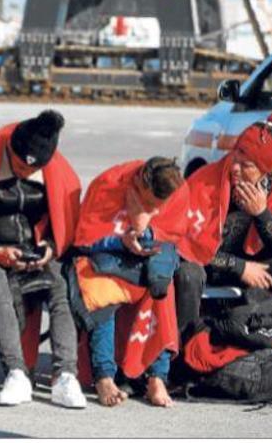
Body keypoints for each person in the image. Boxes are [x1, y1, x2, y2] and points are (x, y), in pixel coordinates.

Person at [0, 110, 86, 408]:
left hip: (34, 248)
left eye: (33, 171)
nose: (25, 174)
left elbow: (66, 223)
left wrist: (51, 247)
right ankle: (15, 372)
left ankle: (66, 375)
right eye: (18, 166)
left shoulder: (59, 172)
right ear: (10, 150)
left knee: (62, 289)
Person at [173, 112, 272, 342]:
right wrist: (240, 267)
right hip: (211, 266)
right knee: (187, 274)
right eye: (235, 157)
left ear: (264, 171)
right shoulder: (204, 181)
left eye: (246, 165)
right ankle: (186, 349)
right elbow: (185, 247)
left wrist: (262, 215)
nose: (235, 168)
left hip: (257, 267)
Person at [71, 156, 184, 408]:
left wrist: (145, 230)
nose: (155, 211)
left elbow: (178, 231)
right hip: (105, 259)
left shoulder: (178, 190)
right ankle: (104, 376)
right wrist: (120, 241)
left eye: (158, 208)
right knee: (100, 289)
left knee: (162, 287)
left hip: (147, 260)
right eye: (149, 204)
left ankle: (157, 377)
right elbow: (83, 241)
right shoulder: (107, 184)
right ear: (141, 185)